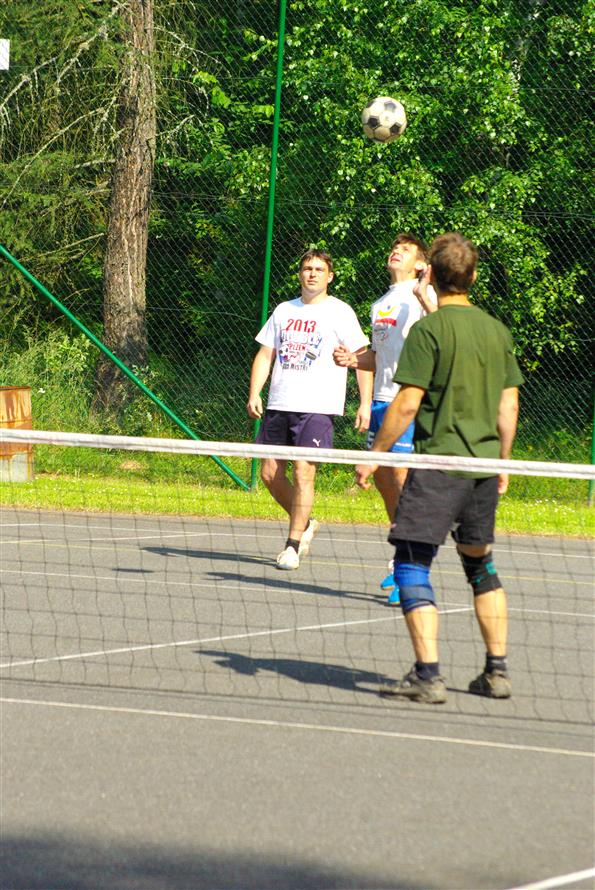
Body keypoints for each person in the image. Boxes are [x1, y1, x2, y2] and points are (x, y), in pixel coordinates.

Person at [356, 232, 523, 704]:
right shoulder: (497, 331)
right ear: (472, 276)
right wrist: (503, 462)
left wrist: (373, 456)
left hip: (437, 467)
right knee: (481, 566)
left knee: (412, 564)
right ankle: (496, 671)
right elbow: (508, 406)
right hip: (481, 469)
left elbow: (407, 404)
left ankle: (428, 676)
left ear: (430, 274)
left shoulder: (429, 331)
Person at [247, 249, 370, 570]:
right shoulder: (283, 310)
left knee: (304, 472)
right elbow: (265, 355)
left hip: (318, 407)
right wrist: (255, 392)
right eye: (307, 268)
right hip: (279, 404)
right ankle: (307, 522)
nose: (312, 274)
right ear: (300, 274)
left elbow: (362, 357)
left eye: (319, 269)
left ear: (330, 276)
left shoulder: (341, 312)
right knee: (269, 474)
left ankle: (292, 545)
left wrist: (365, 403)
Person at [334, 233, 436, 605]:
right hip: (380, 400)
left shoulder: (424, 295)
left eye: (406, 250)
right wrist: (353, 360)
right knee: (383, 480)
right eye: (395, 248)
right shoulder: (381, 304)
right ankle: (402, 551)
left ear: (420, 264)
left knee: (401, 479)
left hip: (409, 400)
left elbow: (445, 331)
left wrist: (425, 294)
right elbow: (378, 357)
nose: (396, 252)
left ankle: (409, 568)